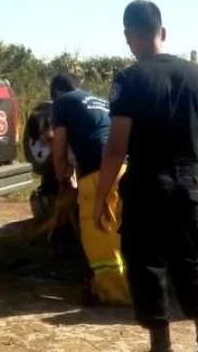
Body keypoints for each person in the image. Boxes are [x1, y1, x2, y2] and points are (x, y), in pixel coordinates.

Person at [93, 0, 198, 352]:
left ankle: (161, 346)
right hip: (188, 182)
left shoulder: (129, 80)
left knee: (147, 265)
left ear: (128, 36)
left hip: (147, 186)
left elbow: (116, 148)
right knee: (191, 262)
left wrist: (100, 197)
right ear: (162, 32)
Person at [48, 73, 131, 306]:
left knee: (99, 236)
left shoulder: (62, 103)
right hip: (124, 169)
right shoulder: (100, 101)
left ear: (56, 92)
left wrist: (61, 176)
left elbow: (58, 149)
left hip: (97, 174)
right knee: (119, 232)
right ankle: (117, 286)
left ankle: (115, 294)